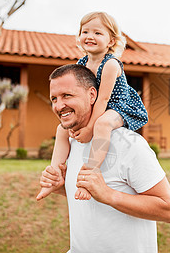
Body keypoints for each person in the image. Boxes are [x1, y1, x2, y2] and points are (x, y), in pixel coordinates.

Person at [39, 64, 170, 253]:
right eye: (54, 99)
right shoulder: (71, 143)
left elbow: (167, 210)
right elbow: (89, 196)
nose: (59, 106)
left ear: (92, 95)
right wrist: (62, 186)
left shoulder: (128, 144)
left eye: (67, 95)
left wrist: (109, 195)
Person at [36, 12, 148, 201]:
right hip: (97, 106)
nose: (90, 36)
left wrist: (89, 128)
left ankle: (90, 175)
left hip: (119, 107)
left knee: (102, 125)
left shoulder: (111, 64)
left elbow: (103, 99)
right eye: (85, 31)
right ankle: (53, 177)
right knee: (62, 129)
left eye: (97, 33)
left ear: (111, 41)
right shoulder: (81, 64)